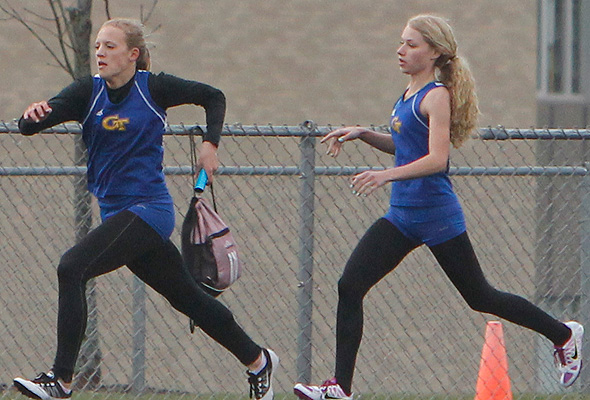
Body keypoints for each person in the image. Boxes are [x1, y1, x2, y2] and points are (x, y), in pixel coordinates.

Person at [293, 14, 583, 400]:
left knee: (480, 296)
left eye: (411, 44)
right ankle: (340, 389)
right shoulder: (408, 94)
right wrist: (363, 134)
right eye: (401, 42)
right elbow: (405, 146)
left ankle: (563, 335)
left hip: (436, 217)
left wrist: (385, 176)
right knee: (350, 285)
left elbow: (436, 159)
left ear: (434, 53)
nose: (401, 50)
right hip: (402, 217)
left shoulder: (436, 95)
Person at [13, 18, 278, 400]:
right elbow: (29, 126)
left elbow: (213, 96)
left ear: (133, 54)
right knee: (188, 299)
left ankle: (61, 380)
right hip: (118, 214)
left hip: (149, 210)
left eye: (110, 46)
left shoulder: (153, 87)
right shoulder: (88, 91)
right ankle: (258, 360)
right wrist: (33, 114)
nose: (100, 53)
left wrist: (210, 145)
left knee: (72, 267)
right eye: (98, 46)